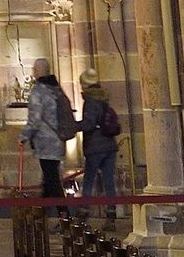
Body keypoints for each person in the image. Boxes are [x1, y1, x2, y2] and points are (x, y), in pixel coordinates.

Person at [21, 56, 74, 199]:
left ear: (38, 71)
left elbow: (35, 119)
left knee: (52, 180)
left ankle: (64, 215)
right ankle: (42, 213)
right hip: (58, 140)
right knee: (49, 179)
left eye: (34, 69)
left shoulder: (38, 91)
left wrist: (24, 136)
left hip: (46, 143)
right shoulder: (57, 89)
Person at [78, 73, 121, 212]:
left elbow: (89, 124)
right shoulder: (103, 98)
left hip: (95, 147)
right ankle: (111, 212)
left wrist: (73, 126)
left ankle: (84, 209)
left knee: (89, 179)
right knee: (109, 181)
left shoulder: (90, 101)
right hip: (109, 145)